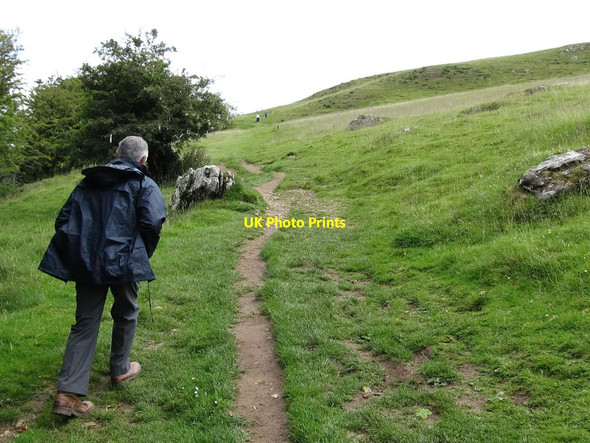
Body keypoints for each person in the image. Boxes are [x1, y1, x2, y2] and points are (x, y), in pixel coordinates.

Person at [38, 136, 167, 417]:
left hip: (87, 263)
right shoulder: (144, 183)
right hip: (124, 263)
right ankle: (120, 369)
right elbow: (153, 221)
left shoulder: (87, 182)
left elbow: (64, 220)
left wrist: (81, 249)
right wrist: (140, 252)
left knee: (85, 322)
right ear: (143, 160)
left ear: (116, 153)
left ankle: (67, 394)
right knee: (127, 311)